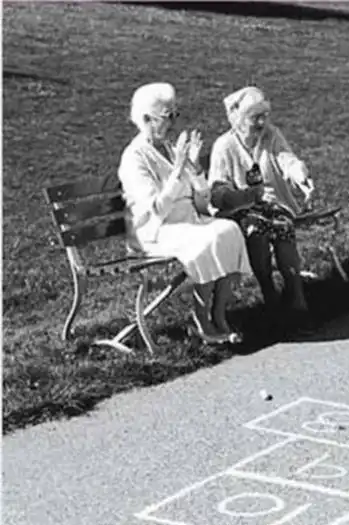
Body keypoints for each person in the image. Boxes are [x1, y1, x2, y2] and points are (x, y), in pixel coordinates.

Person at [118, 82, 253, 345]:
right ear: (146, 119)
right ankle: (201, 319)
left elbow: (201, 204)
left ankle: (219, 313)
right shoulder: (134, 158)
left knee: (229, 229)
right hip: (155, 232)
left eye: (175, 115)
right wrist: (178, 170)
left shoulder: (170, 149)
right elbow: (156, 210)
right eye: (167, 116)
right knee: (207, 240)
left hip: (187, 222)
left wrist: (195, 170)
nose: (174, 123)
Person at [207, 86, 315, 327]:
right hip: (240, 209)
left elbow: (287, 159)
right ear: (239, 119)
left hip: (274, 203)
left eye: (264, 116)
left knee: (282, 224)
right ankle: (268, 290)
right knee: (256, 228)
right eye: (255, 117)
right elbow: (217, 191)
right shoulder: (224, 146)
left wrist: (300, 175)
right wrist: (244, 196)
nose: (261, 123)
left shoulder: (271, 135)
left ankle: (296, 293)